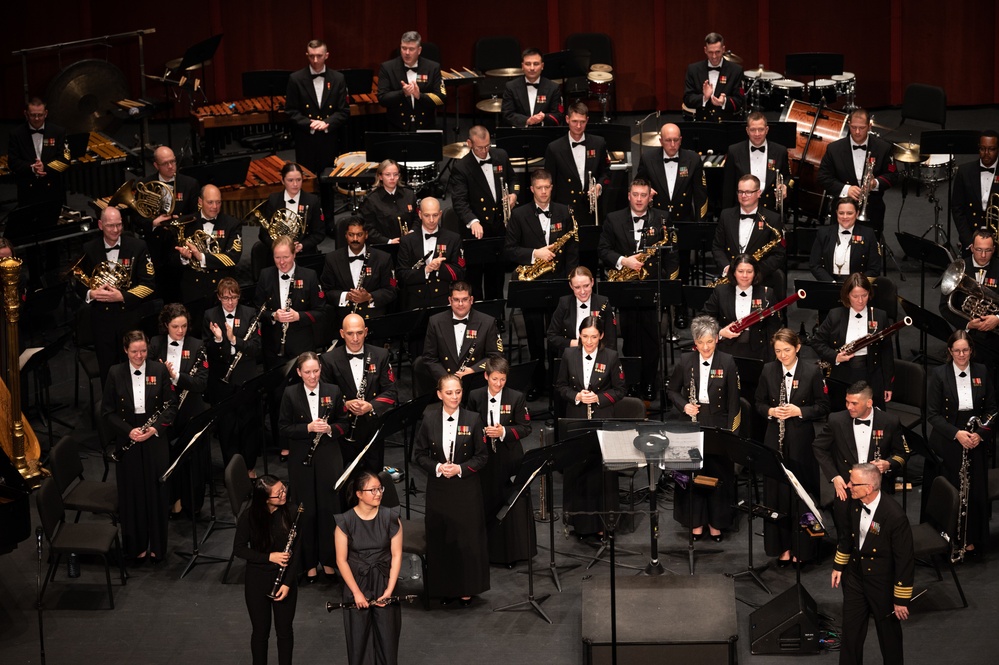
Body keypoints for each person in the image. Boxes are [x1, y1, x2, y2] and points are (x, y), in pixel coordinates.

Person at [754, 328, 830, 565]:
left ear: (797, 348)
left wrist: (800, 411)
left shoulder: (812, 371)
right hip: (774, 440)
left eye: (787, 350)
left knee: (800, 495)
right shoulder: (768, 370)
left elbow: (824, 406)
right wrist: (771, 411)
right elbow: (758, 402)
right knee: (776, 495)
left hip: (800, 441)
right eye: (777, 351)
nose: (782, 355)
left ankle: (803, 549)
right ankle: (781, 547)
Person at [598, 178, 678, 399]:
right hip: (625, 287)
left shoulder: (661, 217)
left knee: (652, 339)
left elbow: (672, 254)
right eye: (636, 194)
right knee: (631, 340)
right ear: (629, 195)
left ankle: (651, 383)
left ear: (649, 196)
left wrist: (669, 284)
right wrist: (624, 261)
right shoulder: (613, 219)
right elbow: (603, 250)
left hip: (652, 286)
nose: (640, 199)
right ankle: (632, 383)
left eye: (644, 195)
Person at [413, 375, 489, 605]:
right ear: (439, 394)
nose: (454, 397)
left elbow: (482, 457)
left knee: (466, 538)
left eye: (458, 392)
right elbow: (418, 454)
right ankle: (442, 587)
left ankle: (466, 587)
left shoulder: (474, 419)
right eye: (449, 392)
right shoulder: (428, 418)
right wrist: (437, 467)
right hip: (439, 489)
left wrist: (460, 468)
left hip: (466, 489)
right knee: (441, 536)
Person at [102, 330, 176, 564]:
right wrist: (128, 431)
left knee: (156, 493)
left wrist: (154, 429)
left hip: (154, 437)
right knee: (132, 494)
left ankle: (157, 547)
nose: (139, 355)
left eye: (143, 351)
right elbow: (108, 412)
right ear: (125, 350)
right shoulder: (115, 373)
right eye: (134, 351)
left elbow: (171, 406)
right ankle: (135, 547)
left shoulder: (159, 369)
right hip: (129, 436)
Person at [830, 463, 914, 665]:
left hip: (882, 582)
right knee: (851, 633)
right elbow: (847, 537)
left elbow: (904, 559)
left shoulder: (895, 516)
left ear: (868, 488)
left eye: (853, 483)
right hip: (856, 577)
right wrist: (839, 565)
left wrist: (900, 598)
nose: (848, 485)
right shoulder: (853, 502)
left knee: (889, 637)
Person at [813, 380, 909, 556]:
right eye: (847, 402)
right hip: (846, 489)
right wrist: (834, 477)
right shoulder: (836, 420)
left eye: (854, 403)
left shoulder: (890, 421)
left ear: (869, 403)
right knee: (845, 538)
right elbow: (819, 447)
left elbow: (903, 454)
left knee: (879, 538)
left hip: (878, 491)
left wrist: (888, 464)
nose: (849, 407)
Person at [666, 315, 739, 540]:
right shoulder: (685, 361)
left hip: (717, 424)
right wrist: (684, 405)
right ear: (695, 343)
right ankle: (695, 522)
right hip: (691, 423)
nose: (705, 347)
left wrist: (731, 434)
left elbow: (734, 402)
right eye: (701, 342)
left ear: (717, 339)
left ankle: (716, 523)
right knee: (692, 475)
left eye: (710, 341)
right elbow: (672, 390)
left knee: (717, 474)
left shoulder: (727, 361)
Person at [505, 168, 578, 394]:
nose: (544, 192)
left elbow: (573, 249)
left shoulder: (565, 211)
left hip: (560, 283)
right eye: (539, 188)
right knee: (535, 339)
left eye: (547, 187)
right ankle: (536, 382)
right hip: (531, 284)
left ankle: (559, 383)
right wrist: (536, 253)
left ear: (552, 187)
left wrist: (570, 279)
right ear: (531, 189)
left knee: (559, 337)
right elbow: (509, 250)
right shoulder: (519, 215)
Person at [926, 330, 996, 557]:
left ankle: (971, 538)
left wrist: (981, 435)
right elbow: (933, 415)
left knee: (974, 490)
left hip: (975, 436)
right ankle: (948, 537)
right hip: (949, 435)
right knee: (952, 488)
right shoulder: (938, 374)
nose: (962, 354)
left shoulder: (982, 371)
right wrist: (957, 434)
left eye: (965, 350)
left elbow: (992, 410)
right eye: (957, 350)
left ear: (971, 351)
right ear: (950, 351)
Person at [554, 316, 626, 537]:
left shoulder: (611, 356)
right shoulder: (568, 354)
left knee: (602, 471)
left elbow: (620, 390)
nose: (589, 341)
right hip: (576, 419)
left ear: (601, 336)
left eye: (594, 336)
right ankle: (578, 522)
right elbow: (560, 386)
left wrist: (598, 398)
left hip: (603, 419)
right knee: (577, 470)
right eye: (585, 336)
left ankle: (606, 523)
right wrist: (576, 396)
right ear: (579, 335)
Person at [279, 351, 346, 583]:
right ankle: (308, 564)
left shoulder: (333, 391)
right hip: (301, 460)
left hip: (328, 457)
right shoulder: (290, 394)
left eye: (315, 371)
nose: (312, 376)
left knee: (329, 510)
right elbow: (284, 428)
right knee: (305, 511)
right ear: (298, 373)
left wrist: (329, 430)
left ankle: (328, 562)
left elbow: (344, 423)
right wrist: (307, 428)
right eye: (307, 372)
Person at [467, 357, 535, 566]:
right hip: (484, 458)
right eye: (495, 379)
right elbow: (468, 423)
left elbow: (526, 427)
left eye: (502, 380)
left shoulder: (516, 397)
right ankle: (487, 551)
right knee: (487, 500)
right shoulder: (475, 396)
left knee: (511, 503)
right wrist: (482, 433)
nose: (498, 384)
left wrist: (504, 431)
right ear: (486, 376)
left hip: (509, 458)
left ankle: (513, 553)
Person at [76, 207, 156, 383]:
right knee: (108, 372)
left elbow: (149, 285)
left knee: (136, 369)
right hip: (102, 322)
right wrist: (91, 293)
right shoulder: (88, 248)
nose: (115, 230)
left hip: (130, 319)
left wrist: (122, 297)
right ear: (100, 225)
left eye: (119, 225)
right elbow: (78, 282)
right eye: (110, 225)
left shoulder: (138, 246)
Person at [334, 470, 403, 665]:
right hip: (357, 580)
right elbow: (341, 560)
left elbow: (397, 555)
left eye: (380, 488)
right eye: (372, 490)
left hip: (383, 579)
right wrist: (356, 592)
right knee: (359, 640)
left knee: (387, 639)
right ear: (358, 494)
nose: (378, 493)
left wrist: (389, 589)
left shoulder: (391, 517)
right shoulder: (345, 522)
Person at [233, 474, 301, 665]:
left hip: (285, 581)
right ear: (264, 498)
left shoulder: (293, 511)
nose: (283, 494)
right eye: (278, 493)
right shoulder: (249, 516)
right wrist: (269, 557)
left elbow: (297, 551)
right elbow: (239, 549)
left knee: (285, 631)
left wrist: (288, 584)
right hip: (257, 579)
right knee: (260, 632)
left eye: (283, 488)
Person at [148, 303, 208, 520]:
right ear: (166, 325)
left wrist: (175, 377)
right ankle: (172, 501)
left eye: (183, 326)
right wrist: (161, 375)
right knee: (166, 459)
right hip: (166, 412)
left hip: (191, 411)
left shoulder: (198, 345)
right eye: (175, 327)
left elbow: (201, 383)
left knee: (193, 461)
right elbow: (148, 377)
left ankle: (192, 505)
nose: (180, 331)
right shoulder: (155, 344)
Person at [320, 313, 398, 471]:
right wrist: (345, 404)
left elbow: (391, 393)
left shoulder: (381, 355)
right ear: (342, 334)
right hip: (342, 429)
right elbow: (324, 397)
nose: (355, 338)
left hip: (372, 427)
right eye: (350, 333)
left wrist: (370, 406)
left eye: (359, 333)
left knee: (373, 475)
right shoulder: (328, 360)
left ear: (366, 331)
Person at [450, 125, 518, 300]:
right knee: (474, 275)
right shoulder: (461, 167)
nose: (484, 151)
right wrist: (473, 221)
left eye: (487, 146)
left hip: (499, 226)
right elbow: (459, 202)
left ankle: (497, 315)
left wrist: (513, 194)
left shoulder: (500, 156)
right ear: (469, 143)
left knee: (496, 275)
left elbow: (513, 179)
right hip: (475, 230)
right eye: (480, 147)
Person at [203, 278, 263, 474]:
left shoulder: (250, 313)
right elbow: (206, 351)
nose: (230, 302)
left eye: (234, 297)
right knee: (227, 428)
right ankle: (232, 470)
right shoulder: (210, 315)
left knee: (249, 425)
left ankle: (250, 467)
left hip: (246, 376)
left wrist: (234, 340)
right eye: (226, 298)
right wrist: (220, 340)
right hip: (221, 379)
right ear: (219, 297)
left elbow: (256, 348)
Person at [810, 274, 895, 408]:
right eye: (855, 296)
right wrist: (836, 356)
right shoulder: (835, 315)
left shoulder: (880, 316)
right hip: (843, 375)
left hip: (871, 375)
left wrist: (887, 385)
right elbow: (817, 342)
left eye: (864, 295)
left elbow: (887, 352)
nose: (860, 301)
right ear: (847, 295)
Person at [134, 146, 200, 303]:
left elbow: (197, 216)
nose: (171, 166)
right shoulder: (144, 185)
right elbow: (137, 219)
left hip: (179, 245)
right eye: (166, 163)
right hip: (155, 246)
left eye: (173, 162)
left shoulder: (190, 184)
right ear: (156, 165)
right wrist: (154, 222)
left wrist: (179, 220)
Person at [817, 108, 898, 233]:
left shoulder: (884, 148)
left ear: (869, 126)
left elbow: (892, 176)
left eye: (862, 128)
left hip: (872, 208)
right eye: (854, 127)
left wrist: (875, 183)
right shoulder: (834, 149)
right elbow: (823, 177)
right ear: (849, 124)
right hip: (842, 209)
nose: (857, 132)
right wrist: (846, 189)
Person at [174, 184, 243, 323]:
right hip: (193, 289)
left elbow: (233, 258)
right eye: (210, 202)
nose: (215, 206)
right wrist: (184, 257)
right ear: (200, 201)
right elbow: (171, 257)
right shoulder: (184, 223)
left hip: (221, 290)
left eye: (218, 202)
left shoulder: (232, 224)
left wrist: (202, 257)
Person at [418, 281, 503, 394]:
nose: (461, 304)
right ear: (450, 300)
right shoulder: (435, 321)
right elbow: (429, 357)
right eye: (456, 300)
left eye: (465, 299)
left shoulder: (487, 322)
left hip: (475, 383)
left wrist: (473, 370)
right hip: (445, 384)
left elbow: (496, 357)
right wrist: (448, 380)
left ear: (471, 300)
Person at [255, 235, 325, 370]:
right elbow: (257, 310)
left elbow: (320, 312)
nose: (282, 262)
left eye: (286, 257)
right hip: (273, 348)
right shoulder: (265, 276)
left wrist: (298, 316)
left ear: (294, 254)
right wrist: (273, 316)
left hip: (302, 347)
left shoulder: (309, 276)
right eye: (277, 257)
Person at [285, 39, 349, 176]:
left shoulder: (338, 78)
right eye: (311, 56)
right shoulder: (295, 79)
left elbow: (343, 111)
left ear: (326, 55)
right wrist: (310, 123)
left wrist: (327, 122)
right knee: (307, 181)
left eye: (319, 56)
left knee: (329, 182)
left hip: (330, 139)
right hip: (306, 139)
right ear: (307, 55)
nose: (315, 60)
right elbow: (291, 111)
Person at [252, 162, 325, 279]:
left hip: (304, 256)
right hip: (278, 258)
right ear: (282, 181)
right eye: (290, 180)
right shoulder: (273, 200)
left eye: (299, 180)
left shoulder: (312, 201)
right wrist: (279, 247)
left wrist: (302, 245)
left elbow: (319, 233)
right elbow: (263, 234)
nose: (295, 184)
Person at [319, 218, 397, 327]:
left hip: (374, 321)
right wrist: (346, 296)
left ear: (366, 235)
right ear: (345, 235)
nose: (355, 239)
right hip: (343, 322)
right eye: (351, 235)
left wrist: (369, 297)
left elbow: (391, 291)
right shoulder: (332, 259)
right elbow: (325, 291)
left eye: (359, 234)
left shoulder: (383, 258)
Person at [703, 254, 780, 361]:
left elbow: (773, 328)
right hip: (725, 349)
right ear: (734, 272)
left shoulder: (767, 294)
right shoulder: (720, 292)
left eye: (749, 272)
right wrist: (719, 332)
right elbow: (703, 319)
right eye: (740, 271)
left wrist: (772, 358)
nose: (745, 275)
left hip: (757, 350)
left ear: (755, 273)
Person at [711, 174, 785, 286]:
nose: (743, 195)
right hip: (730, 280)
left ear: (759, 193)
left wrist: (754, 272)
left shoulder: (773, 219)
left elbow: (778, 255)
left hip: (760, 281)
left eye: (748, 192)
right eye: (740, 192)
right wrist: (727, 268)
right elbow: (717, 247)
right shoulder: (726, 215)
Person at [543, 102, 609, 226]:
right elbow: (550, 182)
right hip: (565, 210)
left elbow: (605, 173)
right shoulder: (554, 148)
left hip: (591, 210)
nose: (578, 126)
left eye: (582, 122)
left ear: (587, 120)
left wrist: (599, 186)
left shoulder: (598, 143)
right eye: (574, 121)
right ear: (567, 119)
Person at [395, 197, 464, 310]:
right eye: (427, 215)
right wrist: (426, 270)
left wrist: (440, 268)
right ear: (420, 214)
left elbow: (460, 273)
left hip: (444, 299)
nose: (431, 220)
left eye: (435, 215)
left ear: (440, 214)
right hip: (415, 300)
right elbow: (402, 275)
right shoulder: (407, 241)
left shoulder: (453, 238)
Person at [635, 123, 707, 221]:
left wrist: (700, 224)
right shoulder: (648, 159)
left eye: (676, 140)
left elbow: (700, 195)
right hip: (656, 220)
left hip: (684, 219)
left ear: (680, 140)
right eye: (668, 140)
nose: (672, 145)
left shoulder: (693, 159)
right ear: (661, 141)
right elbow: (638, 186)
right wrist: (646, 190)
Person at [377, 31, 445, 132]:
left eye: (411, 49)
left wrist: (419, 96)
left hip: (425, 126)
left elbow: (441, 98)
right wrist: (402, 93)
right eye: (404, 48)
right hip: (397, 127)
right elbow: (382, 98)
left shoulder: (432, 67)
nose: (407, 53)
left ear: (419, 50)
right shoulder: (387, 68)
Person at [721, 112, 790, 210]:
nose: (757, 134)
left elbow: (787, 176)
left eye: (761, 129)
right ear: (747, 130)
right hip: (742, 209)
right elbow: (728, 187)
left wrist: (785, 185)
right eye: (753, 130)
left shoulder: (780, 151)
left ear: (767, 130)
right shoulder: (734, 151)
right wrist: (727, 215)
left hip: (771, 209)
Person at [547, 266, 618, 361]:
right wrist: (576, 343)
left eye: (586, 285)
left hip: (599, 357)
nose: (583, 292)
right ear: (571, 286)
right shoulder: (564, 303)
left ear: (592, 282)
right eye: (577, 287)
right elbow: (552, 336)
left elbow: (611, 340)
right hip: (570, 357)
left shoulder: (603, 302)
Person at [6, 97, 66, 207]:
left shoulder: (58, 132)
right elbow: (13, 162)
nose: (37, 118)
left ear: (46, 113)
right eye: (33, 115)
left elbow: (65, 160)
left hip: (52, 187)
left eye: (40, 115)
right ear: (26, 114)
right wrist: (32, 168)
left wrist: (45, 167)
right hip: (27, 188)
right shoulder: (16, 134)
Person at [809, 198, 882, 282]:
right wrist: (830, 282)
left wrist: (857, 283)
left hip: (858, 286)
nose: (845, 217)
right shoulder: (823, 233)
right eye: (841, 213)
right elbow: (814, 264)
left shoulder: (868, 234)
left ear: (857, 214)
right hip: (829, 283)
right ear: (836, 213)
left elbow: (874, 268)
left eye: (849, 213)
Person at [951, 130, 999, 252]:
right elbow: (957, 209)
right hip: (971, 237)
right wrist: (969, 241)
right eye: (982, 149)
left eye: (991, 149)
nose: (986, 153)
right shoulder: (964, 172)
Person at [682, 32, 744, 122]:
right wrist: (704, 98)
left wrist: (724, 101)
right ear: (705, 50)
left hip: (726, 123)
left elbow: (740, 101)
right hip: (701, 123)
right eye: (710, 52)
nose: (714, 56)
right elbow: (687, 99)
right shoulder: (693, 69)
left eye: (717, 52)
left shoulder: (736, 70)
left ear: (723, 49)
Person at [501, 48, 563, 128]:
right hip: (519, 134)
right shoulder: (511, 87)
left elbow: (558, 116)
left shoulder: (553, 87)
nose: (532, 68)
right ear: (522, 66)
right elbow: (507, 114)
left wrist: (544, 117)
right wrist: (527, 121)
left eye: (536, 64)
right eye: (528, 64)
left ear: (542, 66)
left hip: (545, 135)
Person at [361, 159, 418, 245]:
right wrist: (389, 241)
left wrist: (413, 231)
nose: (392, 178)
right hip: (384, 247)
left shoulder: (409, 194)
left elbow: (417, 218)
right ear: (380, 177)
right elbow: (368, 229)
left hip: (409, 244)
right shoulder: (371, 200)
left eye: (395, 174)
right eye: (388, 175)